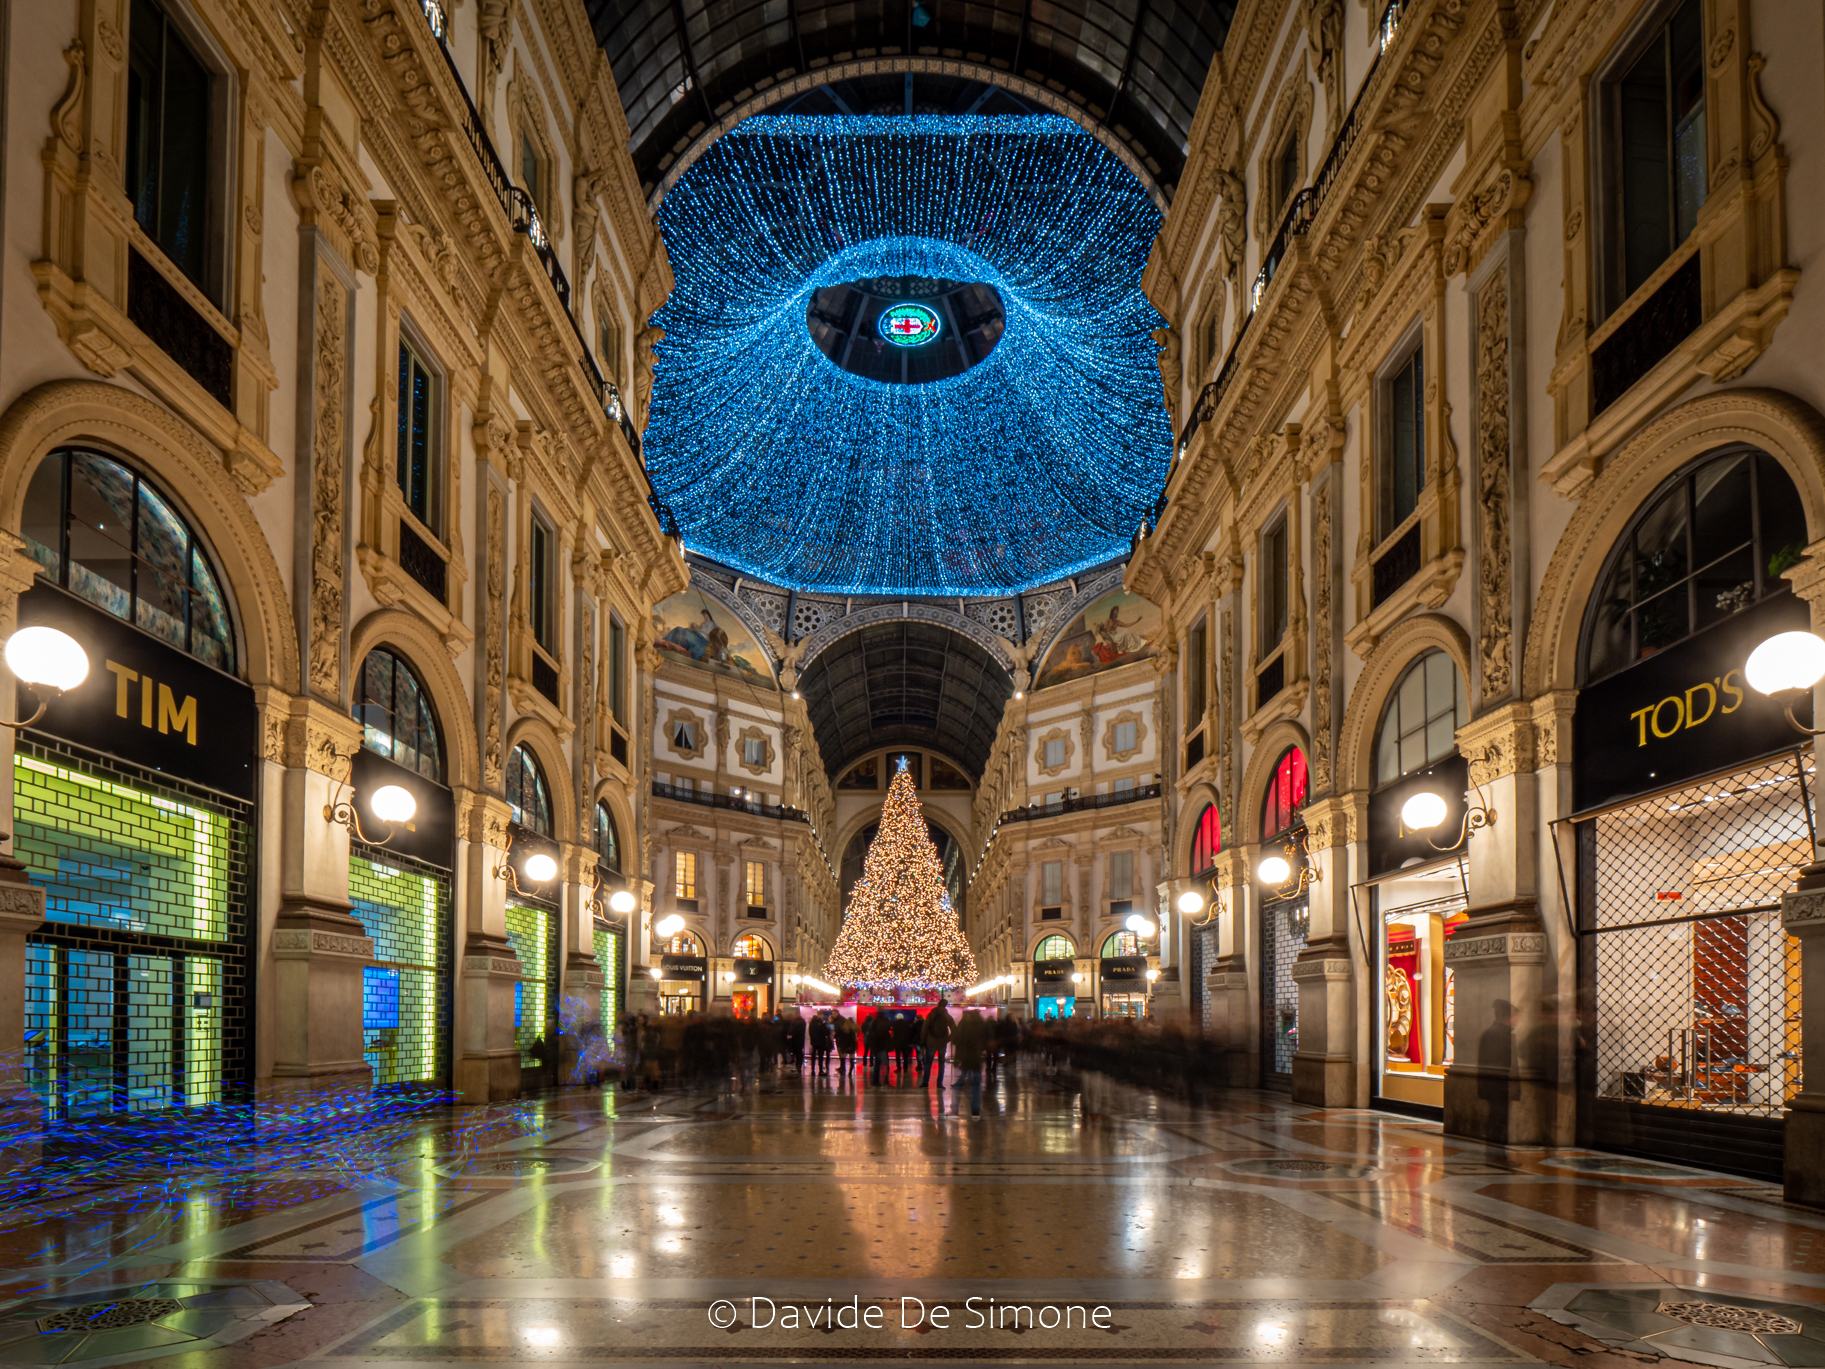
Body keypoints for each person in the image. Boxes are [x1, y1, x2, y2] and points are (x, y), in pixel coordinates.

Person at [951, 1007, 990, 1117]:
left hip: (965, 1057)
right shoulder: (982, 1025)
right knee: (976, 1084)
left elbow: (957, 1040)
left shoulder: (964, 1025)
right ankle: (975, 1110)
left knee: (960, 1081)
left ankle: (955, 1108)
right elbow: (986, 1040)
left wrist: (957, 1056)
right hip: (976, 1058)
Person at [919, 999, 953, 1087]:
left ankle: (925, 1082)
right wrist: (947, 1039)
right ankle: (939, 1083)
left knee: (928, 1063)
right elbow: (955, 1031)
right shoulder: (947, 1016)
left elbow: (924, 1029)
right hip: (942, 1043)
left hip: (931, 1043)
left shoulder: (931, 1015)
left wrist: (923, 1042)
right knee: (941, 1064)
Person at [864, 1010, 891, 1084]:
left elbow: (870, 1033)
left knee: (877, 1064)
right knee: (884, 1063)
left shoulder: (874, 1023)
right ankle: (885, 1080)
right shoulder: (883, 1023)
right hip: (882, 1046)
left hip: (876, 1045)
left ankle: (876, 1081)